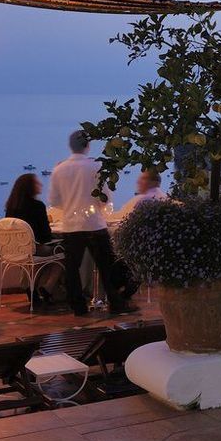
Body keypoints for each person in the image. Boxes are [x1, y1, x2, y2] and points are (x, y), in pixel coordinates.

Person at [49, 130, 136, 317]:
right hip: (94, 224)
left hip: (71, 225)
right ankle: (116, 302)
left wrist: (72, 204)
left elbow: (55, 201)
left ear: (70, 146)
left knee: (72, 268)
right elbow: (104, 198)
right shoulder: (96, 166)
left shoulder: (59, 170)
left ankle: (78, 307)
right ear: (87, 146)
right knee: (107, 266)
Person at [3, 172, 60, 306]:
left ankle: (30, 287)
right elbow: (45, 235)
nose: (40, 184)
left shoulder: (11, 206)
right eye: (37, 183)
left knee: (39, 258)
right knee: (63, 254)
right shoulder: (37, 206)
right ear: (30, 187)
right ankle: (47, 288)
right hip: (33, 249)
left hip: (15, 250)